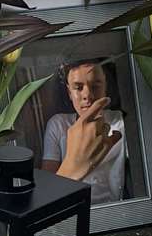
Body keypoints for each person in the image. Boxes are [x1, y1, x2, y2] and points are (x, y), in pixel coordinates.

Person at [41, 59, 126, 203]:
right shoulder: (58, 125)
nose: (88, 95)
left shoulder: (120, 122)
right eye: (78, 87)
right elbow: (47, 187)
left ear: (106, 86)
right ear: (69, 92)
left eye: (96, 85)